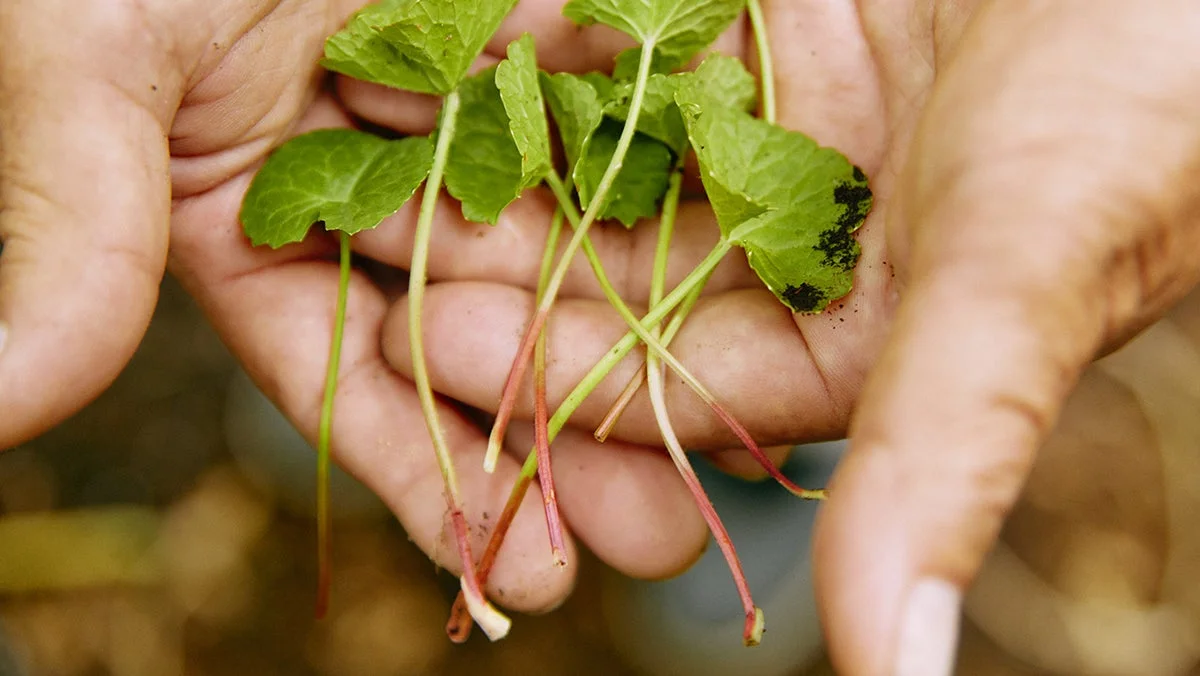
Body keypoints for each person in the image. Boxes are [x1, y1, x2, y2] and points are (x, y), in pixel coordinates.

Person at [1, 1, 1197, 674]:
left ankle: (763, 485)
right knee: (390, 273)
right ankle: (398, 394)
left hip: (821, 66)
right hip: (370, 80)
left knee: (782, 280)